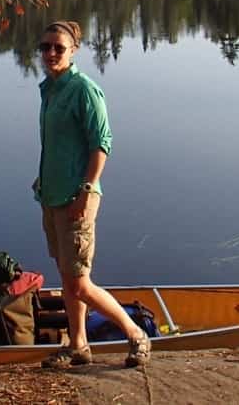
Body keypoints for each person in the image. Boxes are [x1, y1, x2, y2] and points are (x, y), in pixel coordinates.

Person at [33, 20, 151, 369]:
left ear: (73, 51)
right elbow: (59, 145)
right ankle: (79, 346)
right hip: (52, 197)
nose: (51, 53)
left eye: (58, 47)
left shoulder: (84, 90)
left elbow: (102, 144)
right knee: (68, 280)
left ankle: (135, 334)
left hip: (76, 199)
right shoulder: (49, 89)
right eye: (45, 47)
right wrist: (42, 179)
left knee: (81, 283)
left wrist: (85, 190)